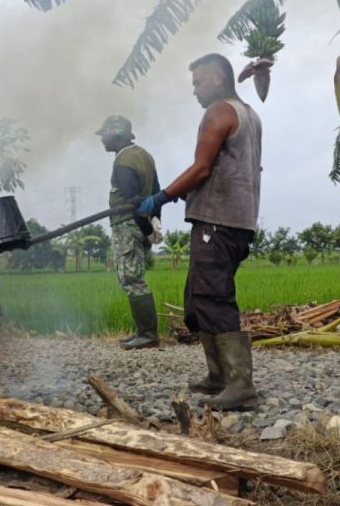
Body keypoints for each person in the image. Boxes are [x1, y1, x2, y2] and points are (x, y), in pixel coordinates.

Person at [137, 53, 262, 410]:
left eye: (198, 82)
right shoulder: (249, 114)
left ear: (219, 78)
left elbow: (202, 168)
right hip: (238, 220)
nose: (194, 90)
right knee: (199, 297)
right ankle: (218, 376)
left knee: (213, 296)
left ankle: (241, 385)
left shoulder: (219, 111)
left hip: (218, 220)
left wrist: (162, 196)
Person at [96, 115, 163, 350]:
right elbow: (157, 192)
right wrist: (155, 222)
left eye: (105, 136)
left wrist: (146, 228)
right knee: (136, 277)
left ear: (117, 136)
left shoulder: (123, 161)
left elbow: (134, 201)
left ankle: (147, 335)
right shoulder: (144, 155)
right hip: (141, 224)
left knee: (132, 279)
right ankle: (144, 332)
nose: (102, 140)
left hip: (127, 225)